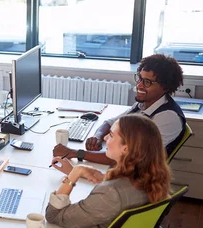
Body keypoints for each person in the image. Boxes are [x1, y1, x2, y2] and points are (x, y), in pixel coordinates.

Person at [46, 114, 171, 228]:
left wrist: (74, 175)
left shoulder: (111, 194)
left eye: (111, 135)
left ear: (126, 148)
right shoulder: (152, 179)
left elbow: (54, 214)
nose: (105, 138)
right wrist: (98, 177)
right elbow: (123, 194)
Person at [53, 54, 185, 165]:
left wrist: (75, 153)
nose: (139, 85)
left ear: (166, 87)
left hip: (139, 183)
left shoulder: (168, 117)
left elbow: (128, 158)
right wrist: (98, 137)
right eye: (140, 78)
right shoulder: (143, 105)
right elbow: (109, 123)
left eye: (147, 82)